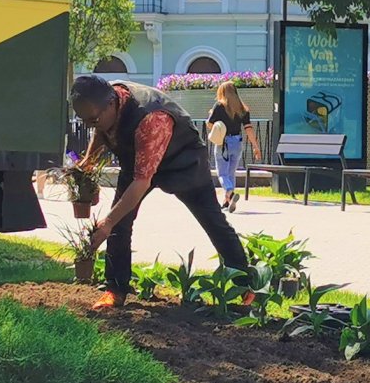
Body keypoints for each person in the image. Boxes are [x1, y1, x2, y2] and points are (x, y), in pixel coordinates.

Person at [68, 74, 249, 310]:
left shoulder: (150, 117)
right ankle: (115, 289)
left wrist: (108, 222)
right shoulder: (104, 99)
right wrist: (86, 169)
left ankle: (246, 287)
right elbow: (102, 134)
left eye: (93, 120)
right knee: (120, 222)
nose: (91, 125)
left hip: (182, 162)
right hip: (137, 161)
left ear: (111, 104)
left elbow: (142, 182)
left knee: (213, 221)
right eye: (85, 122)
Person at [206, 79, 262, 213]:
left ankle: (230, 192)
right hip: (237, 142)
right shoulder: (243, 109)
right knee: (231, 173)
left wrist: (215, 121)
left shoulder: (219, 106)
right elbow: (248, 128)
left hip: (223, 143)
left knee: (222, 173)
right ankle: (228, 202)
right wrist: (255, 146)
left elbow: (209, 124)